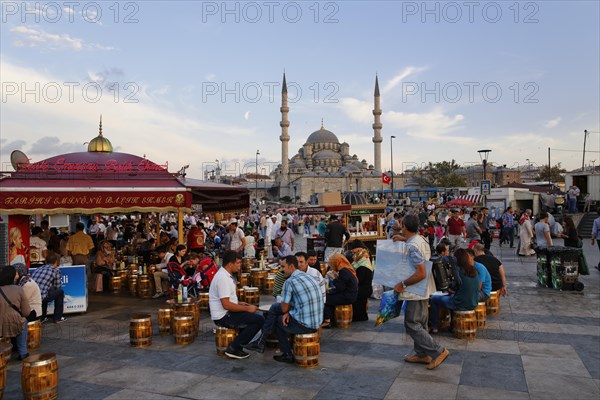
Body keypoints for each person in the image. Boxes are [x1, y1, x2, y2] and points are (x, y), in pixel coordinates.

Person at [242, 255, 323, 363]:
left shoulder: (289, 282)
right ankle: (261, 341)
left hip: (305, 325)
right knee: (276, 310)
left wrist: (287, 312)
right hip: (317, 322)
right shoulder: (308, 277)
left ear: (291, 267)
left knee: (276, 318)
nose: (281, 270)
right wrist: (289, 312)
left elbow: (284, 308)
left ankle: (284, 352)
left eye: (283, 267)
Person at [393, 214, 449, 370]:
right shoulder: (421, 239)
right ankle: (421, 354)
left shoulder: (412, 246)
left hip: (416, 289)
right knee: (421, 322)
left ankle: (438, 351)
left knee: (412, 323)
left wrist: (402, 284)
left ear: (404, 226)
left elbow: (421, 272)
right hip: (424, 288)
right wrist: (403, 239)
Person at [208, 250, 264, 359]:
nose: (240, 266)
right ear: (230, 264)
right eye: (238, 263)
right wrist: (247, 309)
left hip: (228, 312)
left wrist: (239, 303)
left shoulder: (225, 275)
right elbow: (226, 305)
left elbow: (226, 299)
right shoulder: (222, 278)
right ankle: (235, 347)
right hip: (223, 316)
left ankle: (239, 343)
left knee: (253, 317)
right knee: (259, 320)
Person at [429, 248, 480, 333]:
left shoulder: (459, 271)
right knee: (452, 297)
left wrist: (450, 289)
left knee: (434, 299)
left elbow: (453, 288)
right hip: (474, 302)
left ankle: (434, 326)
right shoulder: (473, 270)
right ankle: (452, 325)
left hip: (460, 303)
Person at [0, 265, 31, 360]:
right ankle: (22, 352)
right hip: (15, 321)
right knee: (23, 322)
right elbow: (26, 312)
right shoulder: (18, 289)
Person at [322, 253, 358, 328]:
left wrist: (333, 278)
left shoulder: (344, 271)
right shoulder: (345, 269)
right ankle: (330, 318)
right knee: (329, 295)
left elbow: (340, 287)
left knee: (326, 299)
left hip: (348, 296)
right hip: (350, 294)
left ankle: (327, 321)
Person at [30, 252, 66, 323]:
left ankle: (43, 317)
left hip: (33, 297)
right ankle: (57, 318)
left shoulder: (38, 269)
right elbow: (57, 287)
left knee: (45, 290)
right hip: (42, 297)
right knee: (60, 292)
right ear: (56, 262)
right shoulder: (56, 271)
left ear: (45, 261)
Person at [349, 240, 374, 322]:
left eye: (354, 251)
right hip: (364, 288)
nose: (353, 253)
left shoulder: (363, 263)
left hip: (364, 289)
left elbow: (360, 279)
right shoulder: (362, 260)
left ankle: (359, 317)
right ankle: (361, 316)